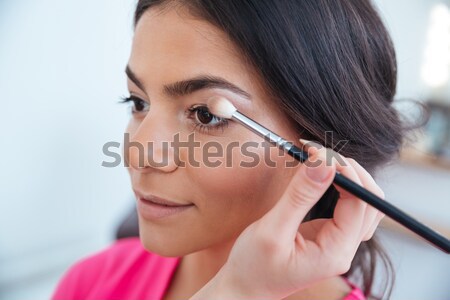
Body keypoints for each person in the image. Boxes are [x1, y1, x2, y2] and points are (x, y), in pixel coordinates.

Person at [52, 0, 403, 299]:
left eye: (204, 115)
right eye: (138, 101)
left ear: (321, 149)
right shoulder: (92, 281)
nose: (136, 153)